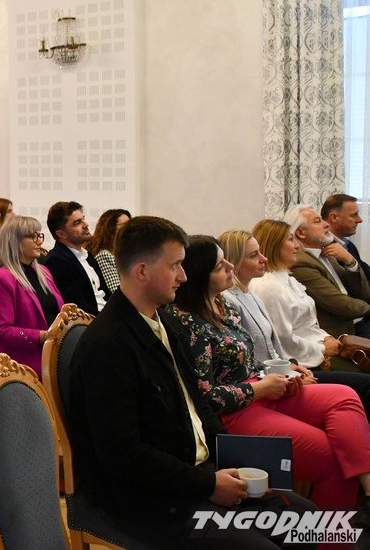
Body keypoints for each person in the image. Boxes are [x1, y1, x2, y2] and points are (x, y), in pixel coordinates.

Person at [69, 216, 316, 548]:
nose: (183, 276)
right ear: (142, 272)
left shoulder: (165, 323)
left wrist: (237, 461)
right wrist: (207, 485)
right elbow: (123, 454)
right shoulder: (108, 346)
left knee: (308, 521)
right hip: (150, 500)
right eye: (175, 266)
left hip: (193, 472)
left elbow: (198, 405)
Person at [167, 235, 370, 510]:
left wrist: (278, 374)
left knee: (344, 396)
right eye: (219, 266)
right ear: (199, 276)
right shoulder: (187, 322)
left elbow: (246, 361)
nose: (230, 266)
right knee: (334, 459)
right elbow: (204, 397)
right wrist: (260, 388)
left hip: (259, 389)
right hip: (234, 412)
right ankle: (325, 532)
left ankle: (367, 481)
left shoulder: (224, 304)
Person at [219, 229, 370, 416]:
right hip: (267, 382)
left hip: (283, 370)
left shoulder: (250, 293)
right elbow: (259, 353)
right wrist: (291, 374)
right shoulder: (243, 296)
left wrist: (289, 366)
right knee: (358, 389)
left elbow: (274, 344)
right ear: (233, 261)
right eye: (253, 255)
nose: (263, 258)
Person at [248, 219, 360, 373]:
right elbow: (282, 339)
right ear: (275, 246)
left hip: (314, 349)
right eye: (290, 239)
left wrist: (325, 338)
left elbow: (307, 326)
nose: (297, 246)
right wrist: (322, 349)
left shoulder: (288, 279)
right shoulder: (268, 286)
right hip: (299, 363)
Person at [0, 216, 63, 376]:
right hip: (23, 363)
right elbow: (1, 332)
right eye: (32, 236)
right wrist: (42, 336)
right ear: (14, 241)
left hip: (55, 351)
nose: (39, 241)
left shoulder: (44, 272)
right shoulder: (1, 279)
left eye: (39, 235)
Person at [282, 204, 370, 338]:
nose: (326, 224)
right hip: (336, 336)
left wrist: (351, 261)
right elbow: (341, 305)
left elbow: (363, 293)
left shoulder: (328, 253)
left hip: (356, 324)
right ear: (301, 233)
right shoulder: (300, 262)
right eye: (318, 221)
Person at [43, 200, 109, 315]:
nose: (86, 224)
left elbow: (105, 294)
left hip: (107, 316)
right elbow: (78, 308)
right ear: (61, 234)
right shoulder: (57, 261)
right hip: (92, 322)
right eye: (77, 223)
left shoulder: (87, 255)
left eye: (83, 218)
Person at [323, 192, 370, 280]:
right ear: (334, 217)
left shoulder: (349, 245)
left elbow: (366, 273)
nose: (360, 220)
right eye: (354, 215)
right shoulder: (320, 246)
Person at [88, 208, 131, 294]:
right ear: (110, 229)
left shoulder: (127, 255)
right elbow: (115, 291)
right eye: (125, 225)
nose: (130, 229)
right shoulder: (105, 256)